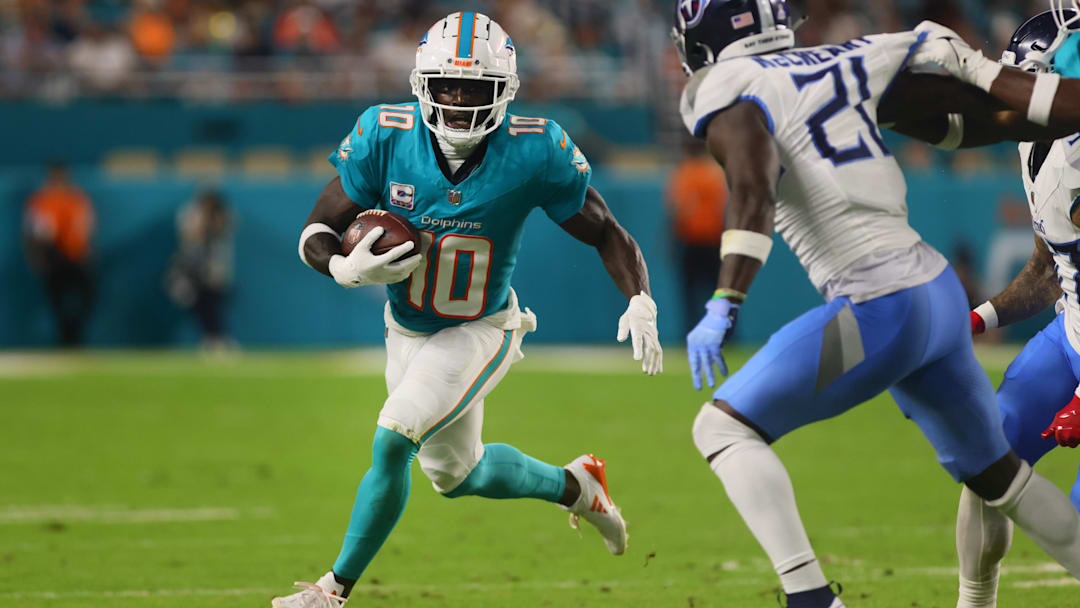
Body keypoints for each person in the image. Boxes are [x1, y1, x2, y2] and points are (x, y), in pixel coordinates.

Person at [673, 1, 1080, 606]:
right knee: (999, 478)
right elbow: (975, 123)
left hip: (879, 307)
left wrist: (726, 298)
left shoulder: (728, 88)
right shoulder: (857, 56)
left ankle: (811, 599)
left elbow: (754, 188)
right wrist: (984, 73)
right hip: (938, 295)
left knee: (723, 428)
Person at [276, 11, 663, 607]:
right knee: (457, 476)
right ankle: (577, 485)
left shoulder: (534, 150)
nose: (459, 101)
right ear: (422, 86)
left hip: (480, 327)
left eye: (475, 88)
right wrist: (341, 266)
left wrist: (638, 296)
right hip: (404, 329)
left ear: (503, 91)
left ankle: (331, 592)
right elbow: (315, 230)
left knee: (392, 437)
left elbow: (605, 230)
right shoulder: (386, 135)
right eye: (447, 86)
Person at [953, 12, 1080, 607]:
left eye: (1028, 83)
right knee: (986, 454)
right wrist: (973, 322)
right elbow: (1048, 270)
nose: (1015, 95)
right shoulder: (1038, 141)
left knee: (1077, 531)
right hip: (1071, 336)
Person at [23, 161, 95, 346]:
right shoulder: (43, 201)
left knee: (86, 298)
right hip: (54, 255)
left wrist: (89, 252)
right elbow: (34, 234)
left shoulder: (77, 199)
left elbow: (86, 228)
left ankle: (74, 337)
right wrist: (37, 258)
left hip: (77, 256)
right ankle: (65, 340)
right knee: (57, 302)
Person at [667, 136, 728, 335]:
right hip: (713, 239)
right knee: (719, 292)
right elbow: (724, 209)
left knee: (690, 294)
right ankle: (724, 333)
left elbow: (678, 211)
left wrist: (671, 241)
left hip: (691, 240)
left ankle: (692, 333)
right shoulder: (714, 172)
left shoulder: (684, 173)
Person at [166, 190, 234, 349]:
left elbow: (226, 231)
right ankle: (212, 337)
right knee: (199, 305)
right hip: (191, 270)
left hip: (213, 271)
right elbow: (189, 237)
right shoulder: (190, 213)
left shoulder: (223, 215)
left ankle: (216, 338)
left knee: (214, 305)